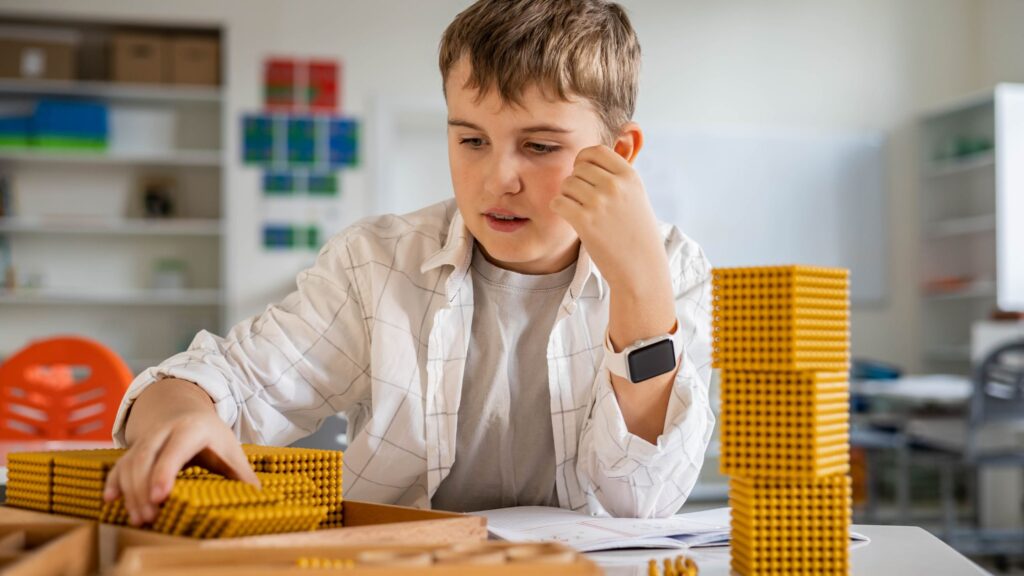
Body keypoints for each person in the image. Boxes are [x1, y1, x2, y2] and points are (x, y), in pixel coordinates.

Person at [105, 0, 714, 525]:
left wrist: (639, 289)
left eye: (540, 146)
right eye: (471, 140)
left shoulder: (673, 271)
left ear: (619, 154)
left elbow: (644, 501)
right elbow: (223, 382)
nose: (499, 179)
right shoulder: (375, 264)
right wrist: (178, 415)